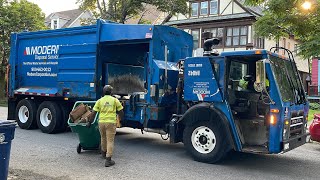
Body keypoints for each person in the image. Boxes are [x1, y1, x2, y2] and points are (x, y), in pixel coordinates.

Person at [87, 85, 124, 167]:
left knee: (103, 138)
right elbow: (121, 111)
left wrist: (89, 122)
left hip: (101, 122)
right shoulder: (115, 100)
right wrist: (121, 119)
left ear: (103, 92)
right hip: (110, 122)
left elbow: (93, 113)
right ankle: (108, 160)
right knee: (110, 140)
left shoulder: (100, 101)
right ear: (111, 92)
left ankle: (103, 153)